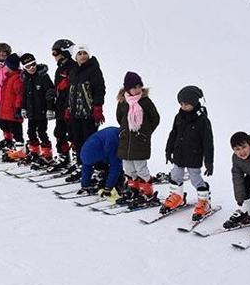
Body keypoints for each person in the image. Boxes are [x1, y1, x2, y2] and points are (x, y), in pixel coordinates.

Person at [162, 85, 214, 221]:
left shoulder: (202, 120)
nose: (183, 106)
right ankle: (177, 197)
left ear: (194, 102)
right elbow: (173, 134)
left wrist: (209, 161)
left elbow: (208, 142)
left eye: (186, 104)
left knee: (195, 178)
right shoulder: (179, 117)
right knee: (175, 175)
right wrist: (168, 150)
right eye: (181, 103)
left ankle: (204, 201)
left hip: (194, 155)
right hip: (179, 153)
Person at [116, 72, 160, 207]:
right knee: (129, 168)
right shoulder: (123, 102)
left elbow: (155, 118)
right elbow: (119, 118)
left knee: (141, 168)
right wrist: (124, 131)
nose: (137, 89)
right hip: (126, 141)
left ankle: (147, 192)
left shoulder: (145, 102)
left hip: (140, 141)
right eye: (134, 87)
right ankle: (133, 189)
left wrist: (145, 133)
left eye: (139, 86)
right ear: (127, 89)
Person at [64, 44, 106, 181]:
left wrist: (98, 107)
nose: (82, 56)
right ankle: (82, 166)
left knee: (90, 142)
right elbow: (71, 91)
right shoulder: (73, 71)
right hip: (76, 113)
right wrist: (68, 107)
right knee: (78, 141)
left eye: (84, 53)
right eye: (79, 53)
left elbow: (99, 89)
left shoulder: (94, 69)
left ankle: (96, 168)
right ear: (75, 57)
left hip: (89, 113)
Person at [6, 53, 54, 165]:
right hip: (31, 112)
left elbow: (50, 93)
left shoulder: (43, 77)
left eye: (33, 64)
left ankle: (47, 155)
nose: (32, 68)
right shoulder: (26, 79)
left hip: (42, 112)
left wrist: (50, 109)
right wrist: (23, 108)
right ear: (24, 68)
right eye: (28, 66)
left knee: (42, 132)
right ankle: (34, 153)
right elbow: (24, 96)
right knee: (31, 132)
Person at [48, 39, 76, 170]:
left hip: (70, 108)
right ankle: (63, 157)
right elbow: (58, 88)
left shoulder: (74, 67)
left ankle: (77, 159)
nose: (54, 56)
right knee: (59, 132)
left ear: (65, 52)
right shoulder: (59, 69)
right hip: (60, 107)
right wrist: (53, 94)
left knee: (73, 135)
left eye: (56, 53)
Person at [78, 127, 125, 199]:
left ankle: (115, 183)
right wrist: (85, 185)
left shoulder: (111, 145)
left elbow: (116, 166)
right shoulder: (86, 155)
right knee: (113, 165)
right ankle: (113, 182)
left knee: (114, 164)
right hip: (105, 143)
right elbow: (115, 166)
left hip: (113, 140)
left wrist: (108, 187)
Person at [0, 53, 25, 150]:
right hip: (5, 110)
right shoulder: (8, 77)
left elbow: (20, 95)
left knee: (15, 129)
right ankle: (8, 141)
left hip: (12, 111)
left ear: (10, 66)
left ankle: (20, 148)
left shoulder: (17, 78)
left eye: (6, 65)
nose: (4, 67)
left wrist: (18, 108)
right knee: (4, 125)